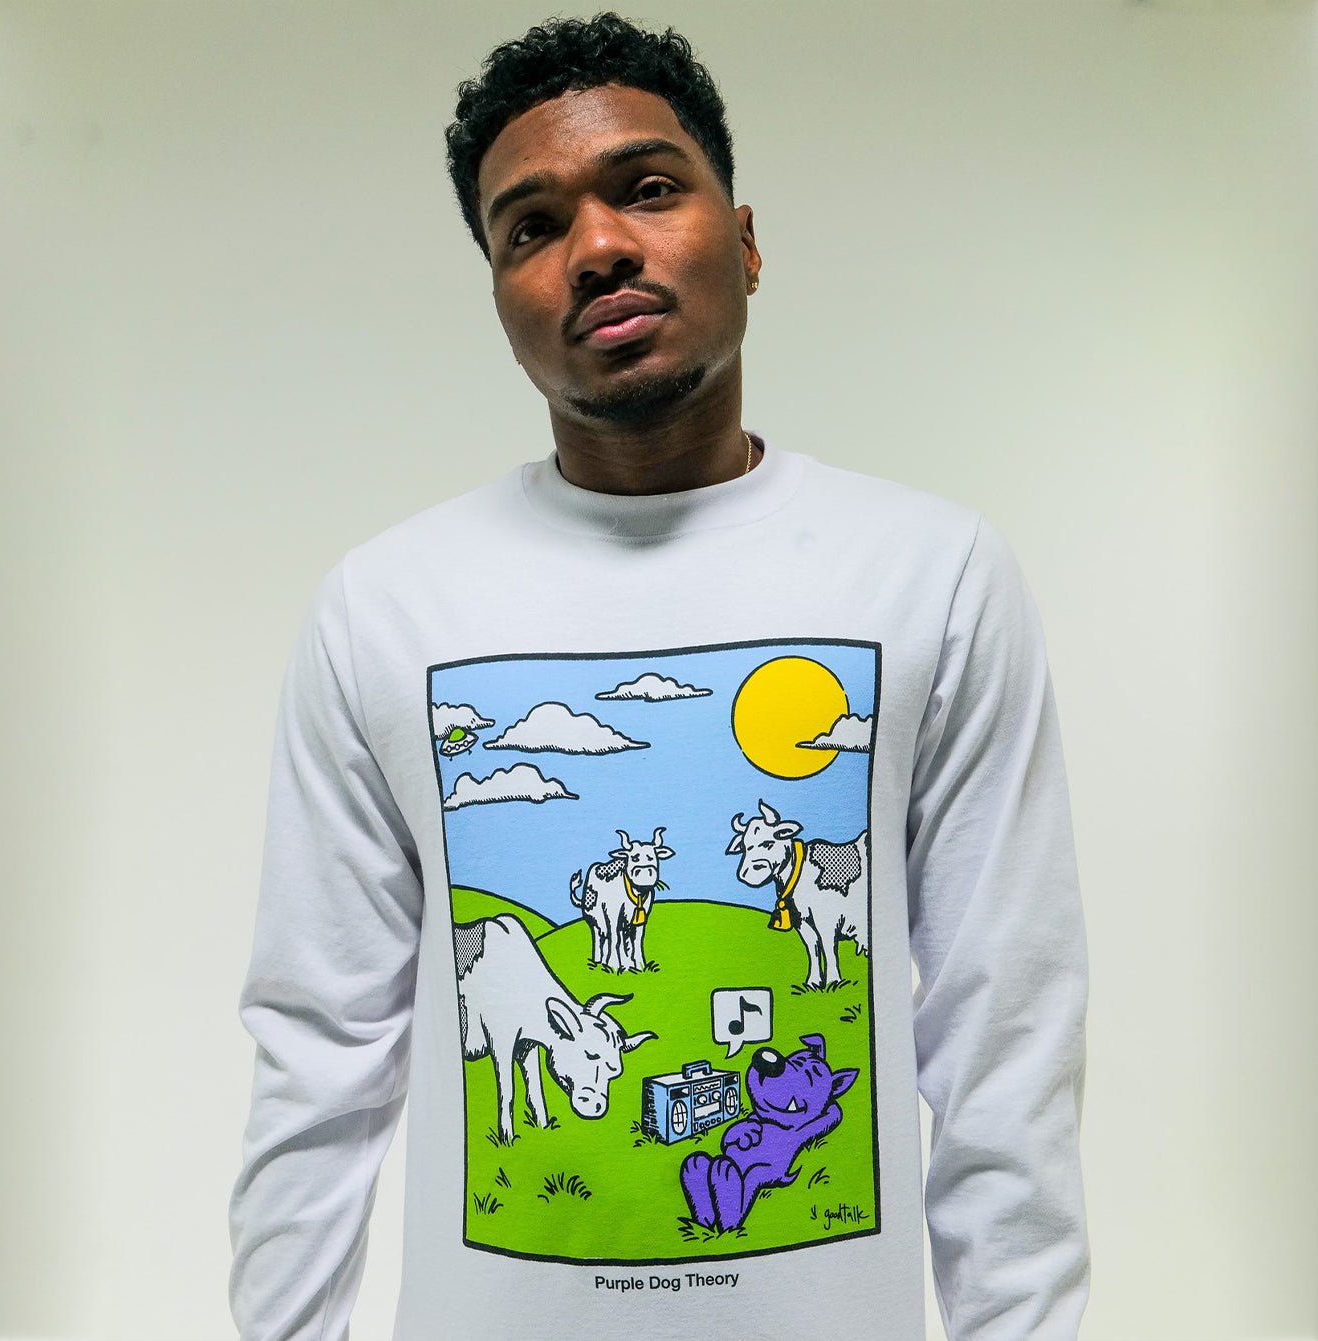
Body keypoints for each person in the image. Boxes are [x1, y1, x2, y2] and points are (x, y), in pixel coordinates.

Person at [229, 14, 1089, 1340]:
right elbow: (315, 1057)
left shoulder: (934, 576)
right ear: (501, 297)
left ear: (743, 241)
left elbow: (1006, 1043)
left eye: (644, 188)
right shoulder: (383, 609)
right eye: (531, 226)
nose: (597, 247)